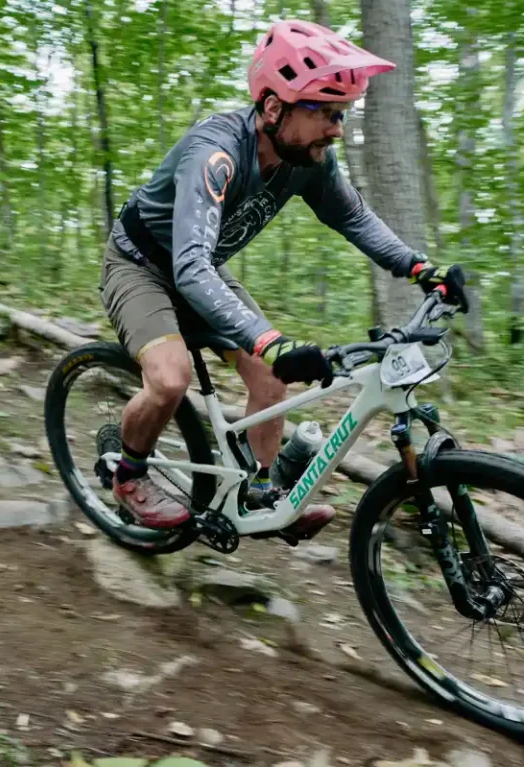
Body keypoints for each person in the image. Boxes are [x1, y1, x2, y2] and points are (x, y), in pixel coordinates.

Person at [99, 19, 465, 535]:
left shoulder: (310, 161)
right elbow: (188, 266)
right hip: (141, 266)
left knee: (270, 379)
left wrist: (420, 269)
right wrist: (269, 340)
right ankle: (128, 473)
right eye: (328, 114)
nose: (338, 129)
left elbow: (354, 217)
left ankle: (256, 494)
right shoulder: (217, 155)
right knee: (171, 378)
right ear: (274, 107)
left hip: (200, 270)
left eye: (343, 115)